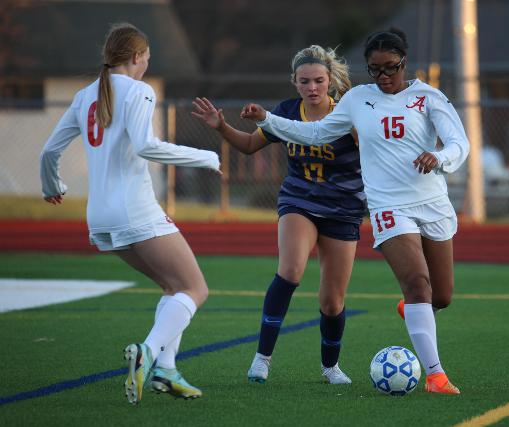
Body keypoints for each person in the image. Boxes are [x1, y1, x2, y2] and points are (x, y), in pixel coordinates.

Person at [240, 28, 469, 395]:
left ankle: (414, 308)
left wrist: (439, 157)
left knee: (440, 296)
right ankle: (436, 375)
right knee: (416, 283)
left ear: (403, 63)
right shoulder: (358, 100)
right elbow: (314, 134)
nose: (383, 77)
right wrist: (268, 119)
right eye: (375, 69)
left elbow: (460, 143)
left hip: (431, 202)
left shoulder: (428, 97)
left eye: (390, 68)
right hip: (387, 206)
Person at [39, 23, 222, 404]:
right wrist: (206, 156)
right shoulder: (140, 90)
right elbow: (146, 146)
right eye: (147, 59)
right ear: (137, 57)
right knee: (196, 289)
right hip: (134, 211)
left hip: (100, 219)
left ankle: (166, 372)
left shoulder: (84, 95)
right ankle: (149, 352)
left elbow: (48, 153)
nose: (146, 66)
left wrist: (51, 186)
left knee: (173, 289)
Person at [191, 45, 365, 384]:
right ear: (294, 83)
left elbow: (375, 150)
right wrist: (220, 126)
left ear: (330, 81)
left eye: (318, 80)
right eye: (304, 81)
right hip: (299, 199)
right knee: (290, 270)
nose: (312, 88)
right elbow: (249, 145)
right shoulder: (286, 111)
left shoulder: (347, 113)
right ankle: (261, 359)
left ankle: (330, 367)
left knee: (332, 302)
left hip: (344, 208)